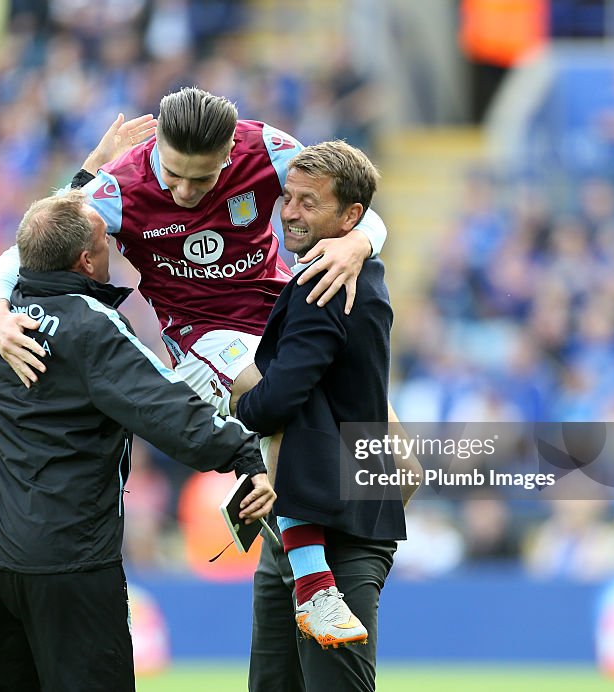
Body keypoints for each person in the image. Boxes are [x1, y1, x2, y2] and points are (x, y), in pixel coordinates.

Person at [0, 188, 276, 692]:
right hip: (68, 560)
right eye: (105, 239)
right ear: (86, 260)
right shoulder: (93, 326)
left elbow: (32, 238)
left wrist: (88, 175)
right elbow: (167, 407)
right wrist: (243, 452)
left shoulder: (0, 320)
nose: (114, 243)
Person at [0, 87, 389, 418]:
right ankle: (267, 501)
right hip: (202, 335)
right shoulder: (120, 188)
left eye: (203, 179)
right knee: (286, 403)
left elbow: (357, 209)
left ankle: (341, 515)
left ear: (230, 150)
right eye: (173, 175)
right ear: (157, 145)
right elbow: (21, 253)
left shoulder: (267, 148)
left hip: (278, 309)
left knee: (398, 465)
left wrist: (358, 242)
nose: (185, 192)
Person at [232, 141, 408, 690]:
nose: (289, 212)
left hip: (337, 529)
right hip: (308, 518)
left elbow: (276, 404)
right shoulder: (359, 270)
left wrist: (237, 396)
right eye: (288, 197)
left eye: (309, 203)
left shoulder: (321, 284)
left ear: (351, 218)